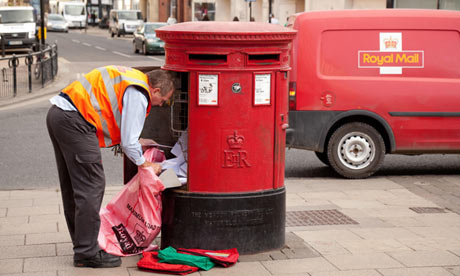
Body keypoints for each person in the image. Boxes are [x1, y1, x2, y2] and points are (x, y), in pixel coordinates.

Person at [46, 66, 174, 268]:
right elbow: (128, 142)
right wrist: (145, 163)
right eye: (165, 99)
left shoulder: (131, 77)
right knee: (92, 185)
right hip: (76, 122)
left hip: (59, 115)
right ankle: (87, 252)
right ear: (156, 90)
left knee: (73, 187)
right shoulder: (139, 91)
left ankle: (83, 244)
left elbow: (115, 117)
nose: (162, 104)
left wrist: (135, 142)